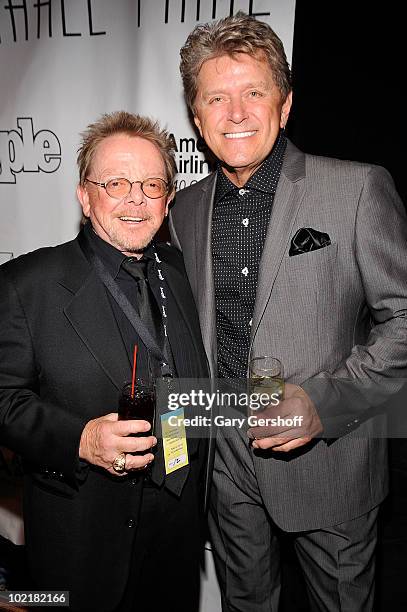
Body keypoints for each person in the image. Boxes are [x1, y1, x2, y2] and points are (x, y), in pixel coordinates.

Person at [169, 12, 407, 612]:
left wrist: (323, 402)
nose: (237, 113)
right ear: (197, 119)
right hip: (222, 463)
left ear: (286, 103)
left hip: (331, 465)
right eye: (216, 98)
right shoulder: (183, 209)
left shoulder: (355, 188)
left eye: (254, 92)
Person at [0, 111, 209, 612]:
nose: (136, 199)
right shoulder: (25, 285)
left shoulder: (180, 273)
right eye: (115, 183)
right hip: (84, 541)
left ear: (169, 197)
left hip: (178, 533)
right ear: (84, 195)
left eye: (152, 184)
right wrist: (80, 439)